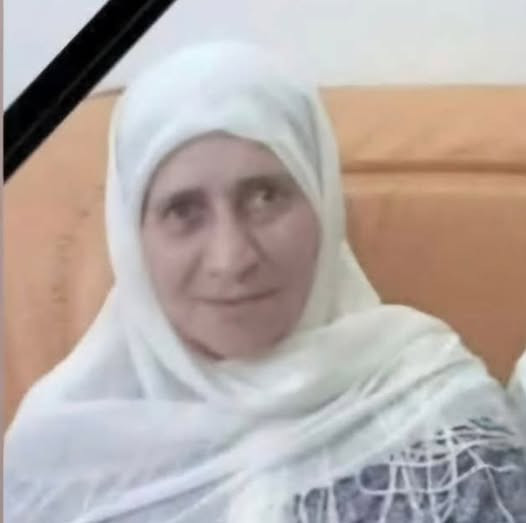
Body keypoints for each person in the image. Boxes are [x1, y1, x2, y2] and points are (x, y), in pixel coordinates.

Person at [5, 42, 526, 523]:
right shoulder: (59, 457)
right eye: (183, 211)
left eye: (264, 198)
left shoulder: (433, 407)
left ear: (322, 204)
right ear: (131, 239)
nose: (232, 258)